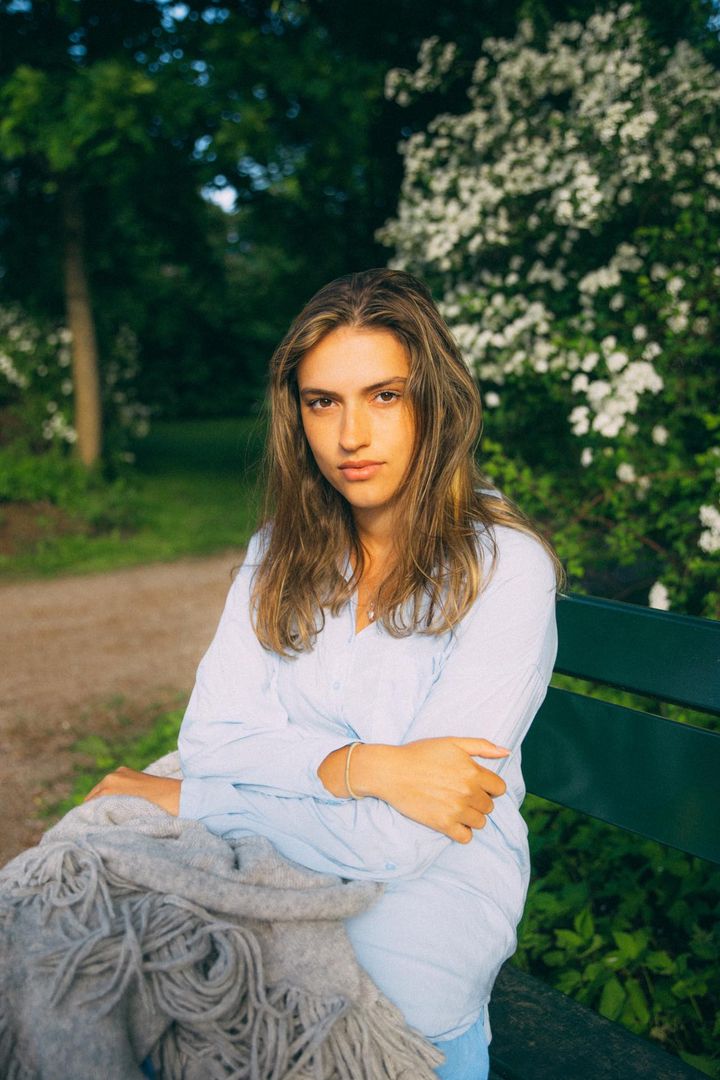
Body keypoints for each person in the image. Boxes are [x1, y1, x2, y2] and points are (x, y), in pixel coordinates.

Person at [86, 268, 562, 1079]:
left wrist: (192, 801)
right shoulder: (278, 551)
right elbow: (211, 740)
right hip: (274, 884)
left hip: (422, 916)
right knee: (99, 952)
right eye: (322, 402)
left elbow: (399, 840)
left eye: (384, 396)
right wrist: (365, 767)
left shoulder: (505, 570)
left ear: (436, 403)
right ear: (296, 414)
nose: (351, 435)